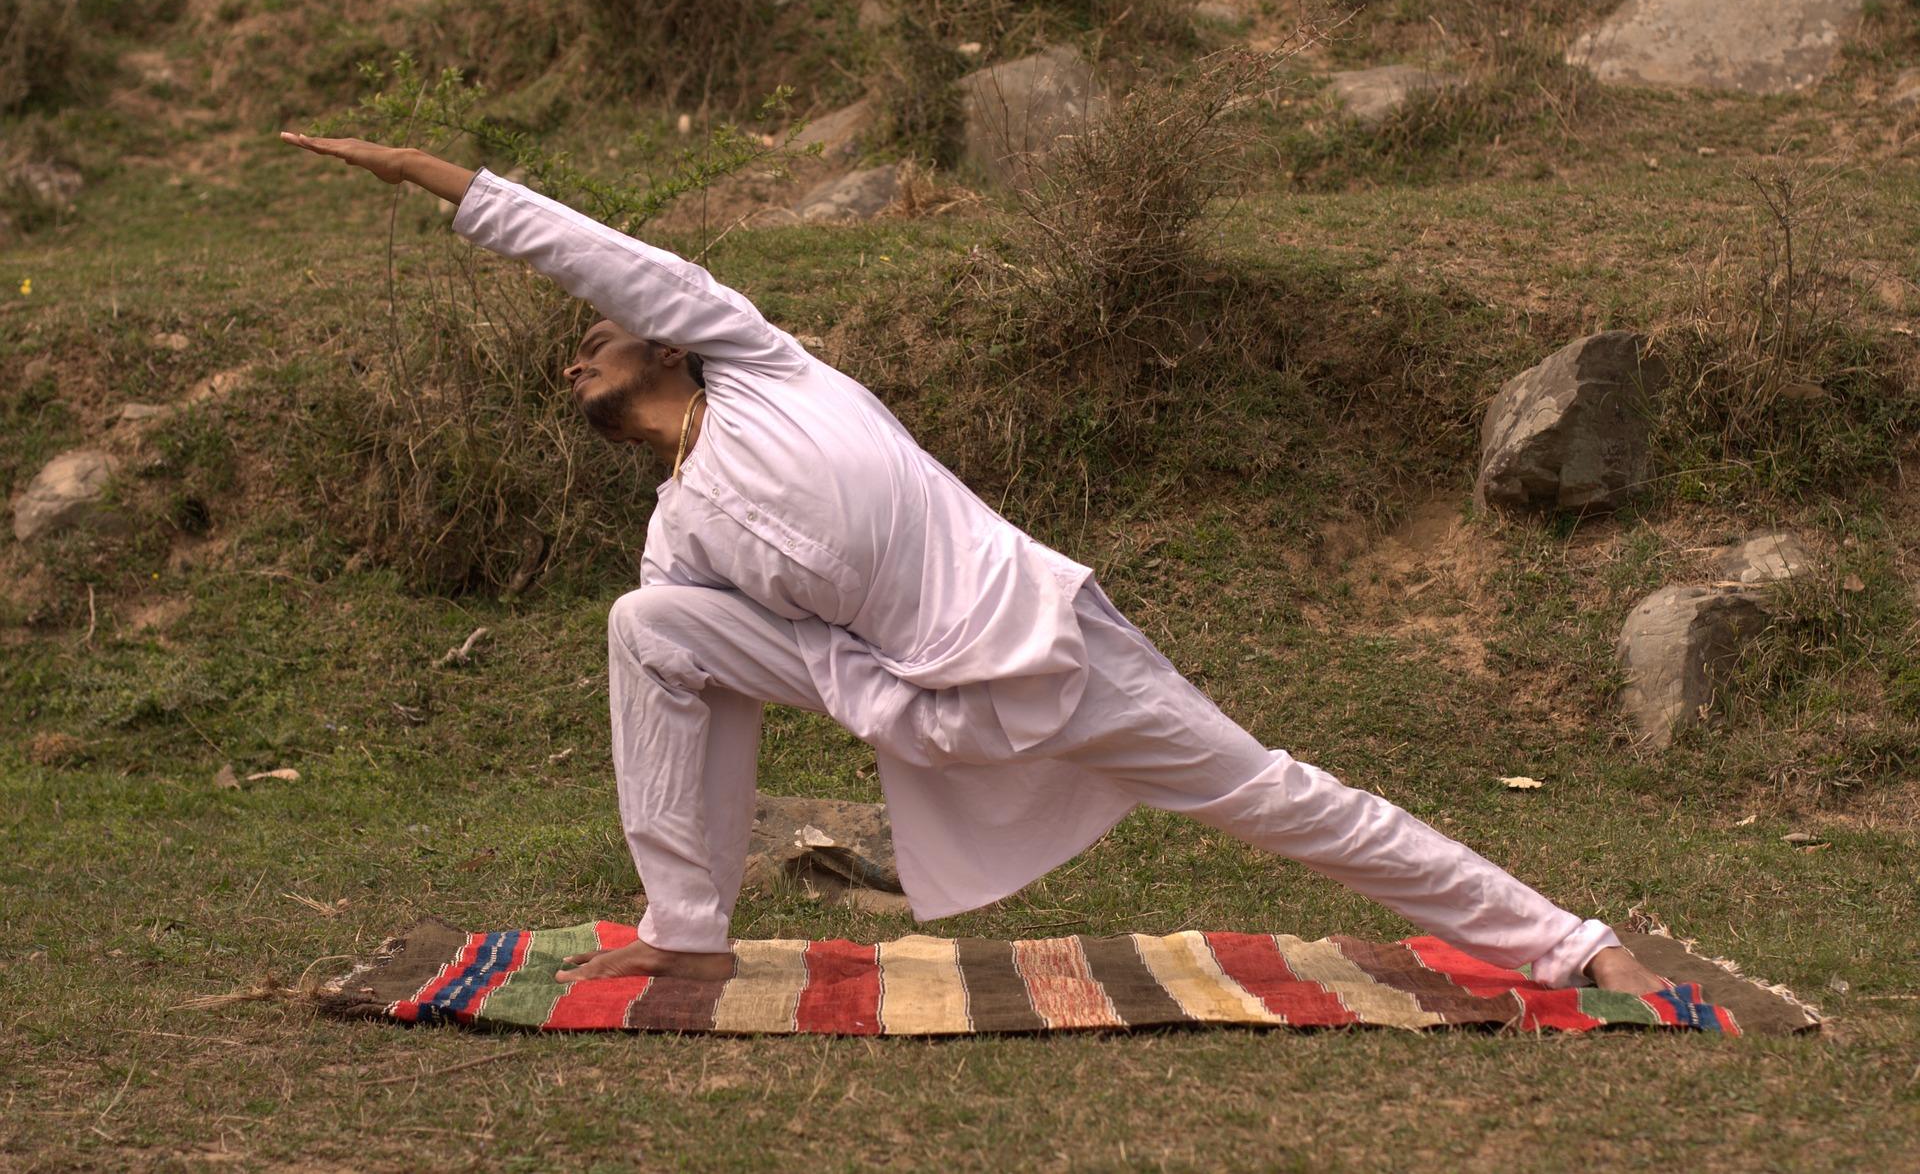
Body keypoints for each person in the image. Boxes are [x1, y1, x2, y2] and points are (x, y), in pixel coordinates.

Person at [281, 131, 1667, 994]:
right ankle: (683, 921)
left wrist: (438, 180)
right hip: (911, 705)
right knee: (650, 623)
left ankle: (1564, 936)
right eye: (572, 353)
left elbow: (601, 251)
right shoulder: (679, 533)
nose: (577, 346)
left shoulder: (761, 361)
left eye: (599, 332)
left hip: (1055, 660)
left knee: (1284, 799)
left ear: (666, 338)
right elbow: (700, 655)